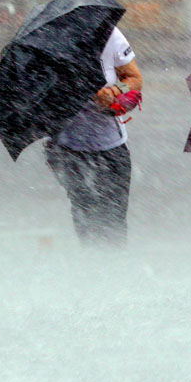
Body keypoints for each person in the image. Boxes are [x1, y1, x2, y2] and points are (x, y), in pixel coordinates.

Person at [44, 26, 143, 246]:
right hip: (67, 147)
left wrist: (113, 91)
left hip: (110, 145)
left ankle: (113, 269)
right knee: (86, 212)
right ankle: (93, 268)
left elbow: (134, 78)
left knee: (113, 218)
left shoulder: (111, 35)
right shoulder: (50, 41)